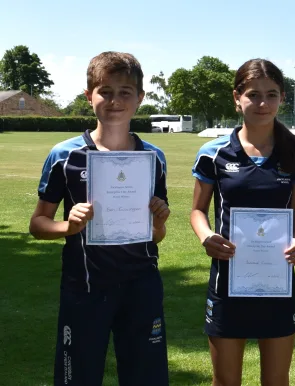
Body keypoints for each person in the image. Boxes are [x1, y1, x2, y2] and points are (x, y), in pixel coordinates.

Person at [29, 51, 170, 386]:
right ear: (88, 95)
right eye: (105, 91)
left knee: (146, 377)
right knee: (78, 376)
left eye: (125, 92)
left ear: (140, 98)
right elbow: (38, 223)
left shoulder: (154, 158)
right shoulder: (65, 156)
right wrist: (68, 225)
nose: (115, 100)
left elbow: (154, 236)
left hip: (141, 285)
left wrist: (159, 224)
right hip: (85, 286)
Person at [190, 59, 295, 386]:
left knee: (276, 381)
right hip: (227, 283)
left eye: (271, 95)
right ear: (236, 97)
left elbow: (294, 215)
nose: (262, 103)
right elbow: (197, 210)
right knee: (226, 381)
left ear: (282, 98)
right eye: (253, 95)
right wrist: (205, 236)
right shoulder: (214, 153)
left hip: (277, 283)